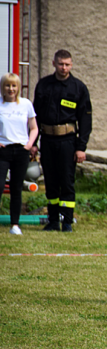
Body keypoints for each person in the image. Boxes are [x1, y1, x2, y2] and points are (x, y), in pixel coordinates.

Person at [31, 49, 92, 232]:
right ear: (54, 63)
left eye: (67, 64)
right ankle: (52, 221)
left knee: (66, 181)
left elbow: (85, 120)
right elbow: (35, 116)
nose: (64, 68)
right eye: (60, 64)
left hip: (68, 141)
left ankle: (67, 222)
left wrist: (81, 147)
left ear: (71, 65)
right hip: (47, 140)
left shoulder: (78, 88)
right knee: (50, 181)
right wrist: (33, 143)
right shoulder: (44, 85)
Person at [0, 73, 38, 236]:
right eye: (8, 85)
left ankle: (15, 224)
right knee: (0, 186)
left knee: (16, 187)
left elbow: (34, 127)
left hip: (21, 151)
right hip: (3, 150)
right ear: (3, 87)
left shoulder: (26, 104)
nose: (11, 89)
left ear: (18, 88)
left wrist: (29, 144)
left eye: (14, 86)